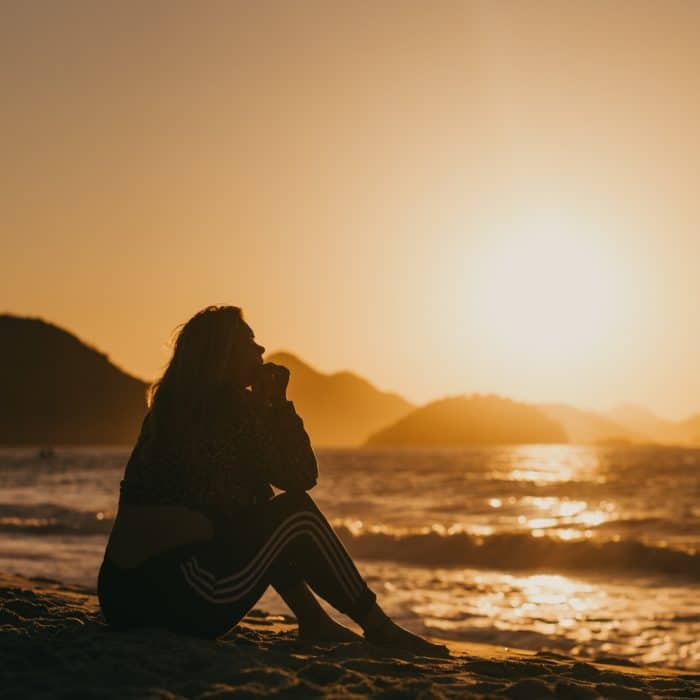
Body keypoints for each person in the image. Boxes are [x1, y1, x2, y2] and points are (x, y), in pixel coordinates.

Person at [98, 305, 448, 656]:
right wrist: (278, 404)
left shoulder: (169, 410)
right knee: (297, 515)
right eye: (249, 341)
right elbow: (300, 478)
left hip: (121, 596)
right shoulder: (230, 408)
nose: (261, 351)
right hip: (184, 596)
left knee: (263, 505)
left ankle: (313, 619)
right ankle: (379, 627)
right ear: (224, 354)